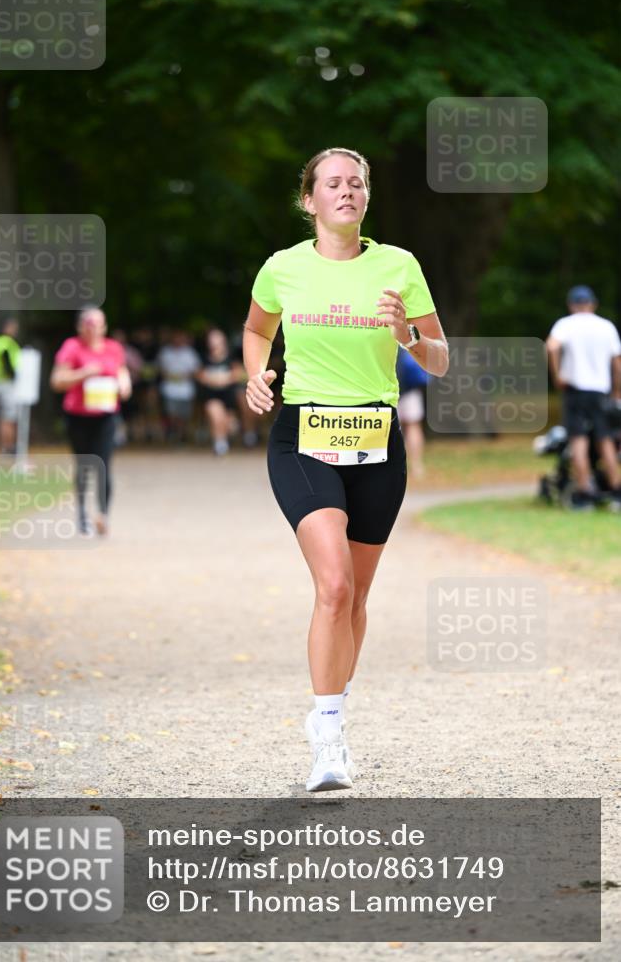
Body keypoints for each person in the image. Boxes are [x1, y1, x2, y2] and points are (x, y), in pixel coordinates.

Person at [243, 147, 449, 792]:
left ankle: (334, 699)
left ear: (366, 197)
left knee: (356, 596)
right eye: (332, 183)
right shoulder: (283, 269)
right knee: (333, 586)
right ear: (309, 200)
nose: (346, 191)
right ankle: (326, 734)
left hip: (377, 439)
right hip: (302, 434)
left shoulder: (399, 266)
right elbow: (256, 329)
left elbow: (440, 360)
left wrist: (409, 338)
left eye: (356, 183)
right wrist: (256, 375)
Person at [50, 308, 132, 536]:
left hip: (106, 415)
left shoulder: (113, 348)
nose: (93, 328)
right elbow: (56, 381)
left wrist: (125, 385)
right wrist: (83, 374)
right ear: (80, 326)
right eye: (89, 323)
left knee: (104, 465)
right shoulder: (72, 347)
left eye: (98, 323)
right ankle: (82, 515)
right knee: (84, 465)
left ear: (104, 326)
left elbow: (122, 372)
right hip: (77, 416)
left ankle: (103, 515)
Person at [546, 285, 621, 510]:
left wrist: (557, 375)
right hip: (600, 391)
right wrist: (617, 390)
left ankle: (584, 492)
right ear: (593, 304)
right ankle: (616, 490)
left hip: (575, 390)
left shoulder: (565, 325)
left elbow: (551, 347)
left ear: (571, 305)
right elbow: (617, 362)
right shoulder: (606, 326)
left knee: (578, 441)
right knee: (605, 440)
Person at [195, 327, 246, 455]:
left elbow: (238, 373)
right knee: (216, 415)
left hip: (228, 395)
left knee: (231, 427)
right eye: (212, 338)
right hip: (211, 394)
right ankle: (220, 444)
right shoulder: (204, 358)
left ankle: (226, 434)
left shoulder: (231, 357)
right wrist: (214, 380)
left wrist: (224, 379)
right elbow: (200, 375)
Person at [157, 328, 201, 445]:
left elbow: (197, 371)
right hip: (169, 389)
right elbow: (161, 369)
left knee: (183, 415)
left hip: (186, 390)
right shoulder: (165, 352)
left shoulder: (190, 353)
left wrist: (186, 376)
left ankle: (180, 436)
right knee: (171, 413)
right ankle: (173, 433)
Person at [0, 317, 21, 453]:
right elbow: (7, 364)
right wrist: (15, 375)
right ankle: (8, 447)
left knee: (2, 416)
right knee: (8, 417)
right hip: (6, 384)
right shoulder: (6, 344)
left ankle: (4, 445)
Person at [396, 347, 430, 480]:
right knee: (413, 426)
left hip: (387, 390)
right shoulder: (404, 334)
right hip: (410, 389)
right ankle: (417, 466)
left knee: (390, 430)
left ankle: (394, 466)